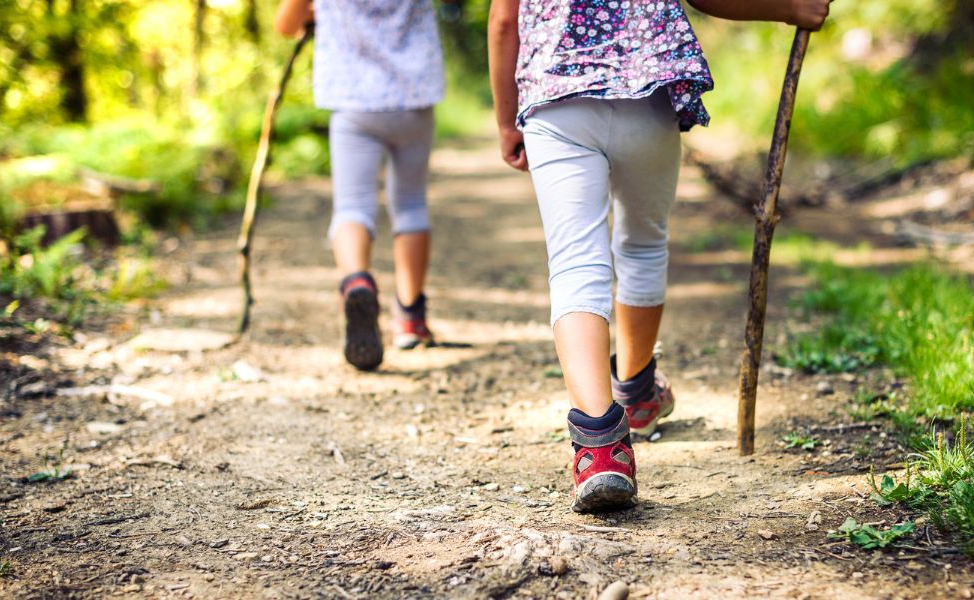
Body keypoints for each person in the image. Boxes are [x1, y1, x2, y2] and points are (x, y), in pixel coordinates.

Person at [488, 0, 830, 512]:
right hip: (644, 93)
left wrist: (505, 120)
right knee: (643, 244)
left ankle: (601, 447)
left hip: (555, 98)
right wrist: (788, 8)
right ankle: (637, 391)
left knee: (575, 263)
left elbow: (502, 21)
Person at [275, 0, 450, 371]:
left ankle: (357, 282)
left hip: (354, 103)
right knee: (411, 204)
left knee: (352, 206)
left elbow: (285, 23)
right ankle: (410, 319)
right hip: (414, 98)